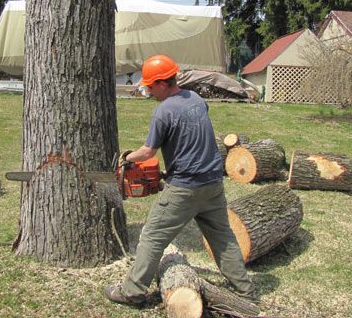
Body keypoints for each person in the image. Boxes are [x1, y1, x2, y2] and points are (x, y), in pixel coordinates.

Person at [104, 54, 256, 306]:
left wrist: (127, 156)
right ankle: (244, 291)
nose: (149, 91)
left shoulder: (163, 111)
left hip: (186, 188)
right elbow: (188, 139)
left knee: (152, 236)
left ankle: (132, 292)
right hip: (213, 183)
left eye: (151, 86)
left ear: (163, 83)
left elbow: (148, 152)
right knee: (223, 237)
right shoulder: (195, 99)